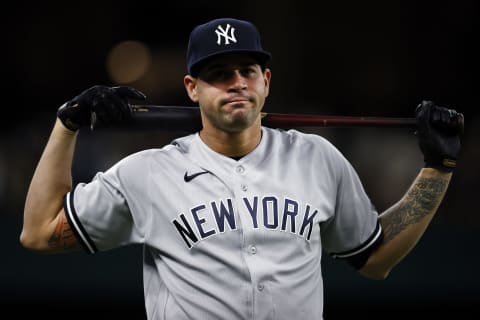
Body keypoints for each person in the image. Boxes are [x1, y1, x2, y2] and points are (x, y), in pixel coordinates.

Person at [21, 17, 462, 319]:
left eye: (246, 70)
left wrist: (437, 169)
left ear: (265, 82)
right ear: (192, 89)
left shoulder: (318, 158)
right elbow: (39, 232)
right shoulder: (148, 173)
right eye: (219, 73)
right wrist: (67, 124)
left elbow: (374, 259)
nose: (236, 82)